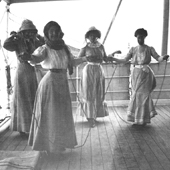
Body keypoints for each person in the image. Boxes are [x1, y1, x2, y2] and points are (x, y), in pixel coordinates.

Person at [28, 21, 89, 154]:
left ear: (60, 32)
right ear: (47, 34)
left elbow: (72, 62)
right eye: (51, 32)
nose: (54, 33)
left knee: (61, 115)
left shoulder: (64, 48)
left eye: (56, 31)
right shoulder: (45, 48)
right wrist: (29, 57)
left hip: (62, 83)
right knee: (51, 115)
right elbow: (36, 58)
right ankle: (50, 146)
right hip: (50, 83)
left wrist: (85, 58)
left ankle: (59, 143)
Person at [109, 28, 169, 126]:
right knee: (136, 94)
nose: (140, 39)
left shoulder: (150, 48)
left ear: (145, 37)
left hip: (146, 74)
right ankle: (136, 118)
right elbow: (124, 60)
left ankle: (144, 119)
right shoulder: (133, 49)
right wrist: (114, 59)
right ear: (136, 37)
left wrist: (163, 57)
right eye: (138, 37)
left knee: (144, 95)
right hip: (136, 74)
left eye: (141, 37)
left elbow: (158, 58)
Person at [3, 19, 44, 135]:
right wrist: (14, 35)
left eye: (31, 31)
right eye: (27, 31)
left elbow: (44, 44)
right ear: (22, 32)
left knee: (34, 97)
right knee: (22, 99)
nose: (29, 34)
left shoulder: (35, 41)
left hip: (34, 70)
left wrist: (38, 36)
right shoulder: (17, 42)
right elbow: (6, 45)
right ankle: (23, 128)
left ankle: (35, 125)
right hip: (22, 70)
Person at [77, 26, 121, 128]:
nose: (92, 37)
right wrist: (86, 58)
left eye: (94, 35)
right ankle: (90, 117)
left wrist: (113, 54)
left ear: (97, 36)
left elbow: (105, 58)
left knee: (98, 92)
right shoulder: (85, 47)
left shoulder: (101, 46)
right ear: (88, 36)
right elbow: (78, 59)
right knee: (89, 93)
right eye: (90, 35)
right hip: (88, 71)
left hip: (99, 71)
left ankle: (94, 115)